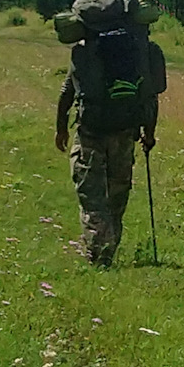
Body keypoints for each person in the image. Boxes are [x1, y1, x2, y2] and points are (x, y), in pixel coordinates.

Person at [55, 25, 160, 267]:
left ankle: (99, 255)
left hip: (91, 135)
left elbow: (66, 92)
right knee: (117, 195)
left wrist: (61, 128)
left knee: (92, 196)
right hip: (124, 135)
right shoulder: (135, 54)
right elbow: (150, 97)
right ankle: (108, 250)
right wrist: (149, 133)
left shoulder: (85, 54)